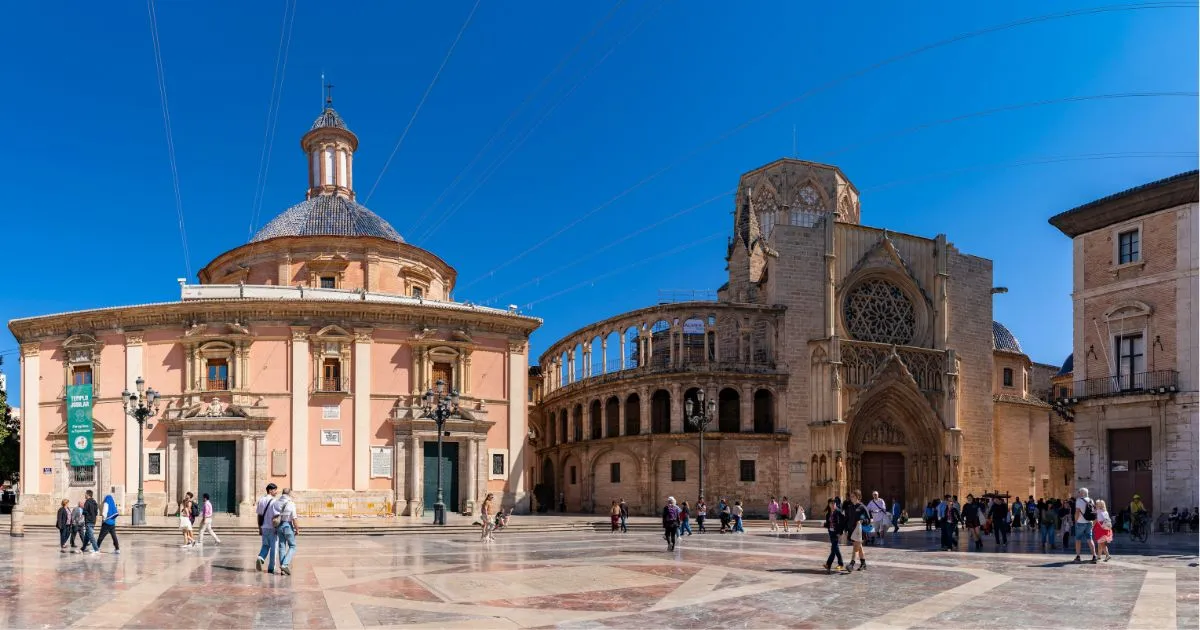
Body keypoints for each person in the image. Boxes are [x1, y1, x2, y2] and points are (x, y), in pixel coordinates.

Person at [273, 488, 298, 575]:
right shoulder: (291, 503)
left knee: (281, 546)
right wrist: (297, 529)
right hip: (288, 526)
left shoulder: (276, 502)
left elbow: (274, 516)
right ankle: (285, 564)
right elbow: (294, 518)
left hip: (279, 526)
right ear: (289, 493)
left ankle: (283, 569)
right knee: (292, 546)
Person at [255, 483, 280, 571]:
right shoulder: (274, 501)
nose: (276, 492)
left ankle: (260, 557)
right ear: (270, 490)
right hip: (272, 528)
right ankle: (271, 568)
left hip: (264, 527)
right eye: (275, 490)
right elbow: (276, 516)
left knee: (265, 545)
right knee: (274, 548)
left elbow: (259, 515)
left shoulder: (261, 500)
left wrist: (259, 528)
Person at [1073, 487, 1099, 564]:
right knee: (1089, 539)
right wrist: (1093, 522)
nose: (1078, 494)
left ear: (1082, 493)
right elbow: (1094, 513)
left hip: (1080, 523)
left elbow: (1077, 512)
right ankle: (1094, 556)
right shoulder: (1091, 500)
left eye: (1079, 492)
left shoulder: (1079, 501)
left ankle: (1078, 556)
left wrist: (1076, 521)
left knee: (1078, 539)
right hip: (1089, 522)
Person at [822, 498, 847, 574]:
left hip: (836, 533)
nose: (832, 505)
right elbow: (828, 523)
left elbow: (843, 522)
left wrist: (840, 532)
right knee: (835, 548)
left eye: (834, 503)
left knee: (833, 549)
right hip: (831, 532)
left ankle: (828, 564)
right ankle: (841, 564)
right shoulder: (828, 513)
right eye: (831, 504)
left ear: (836, 504)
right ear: (829, 504)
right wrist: (825, 525)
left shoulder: (839, 512)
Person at [846, 491, 869, 570]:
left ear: (858, 497)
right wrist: (847, 528)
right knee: (859, 547)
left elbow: (868, 519)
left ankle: (851, 564)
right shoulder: (850, 507)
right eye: (851, 496)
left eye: (853, 496)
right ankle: (863, 564)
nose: (851, 498)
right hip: (852, 530)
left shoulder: (862, 507)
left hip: (860, 531)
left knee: (855, 547)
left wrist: (862, 521)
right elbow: (848, 519)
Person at [95, 488, 121, 554]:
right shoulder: (112, 503)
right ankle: (117, 549)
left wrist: (103, 519)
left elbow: (104, 512)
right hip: (112, 522)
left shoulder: (106, 503)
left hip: (106, 522)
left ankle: (96, 548)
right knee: (114, 536)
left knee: (101, 536)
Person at [81, 490, 99, 554]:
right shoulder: (95, 502)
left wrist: (83, 511)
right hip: (93, 521)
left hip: (88, 521)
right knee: (87, 535)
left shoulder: (87, 502)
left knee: (91, 536)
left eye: (85, 494)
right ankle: (83, 548)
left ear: (88, 495)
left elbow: (84, 511)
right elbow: (96, 512)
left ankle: (96, 549)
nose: (84, 495)